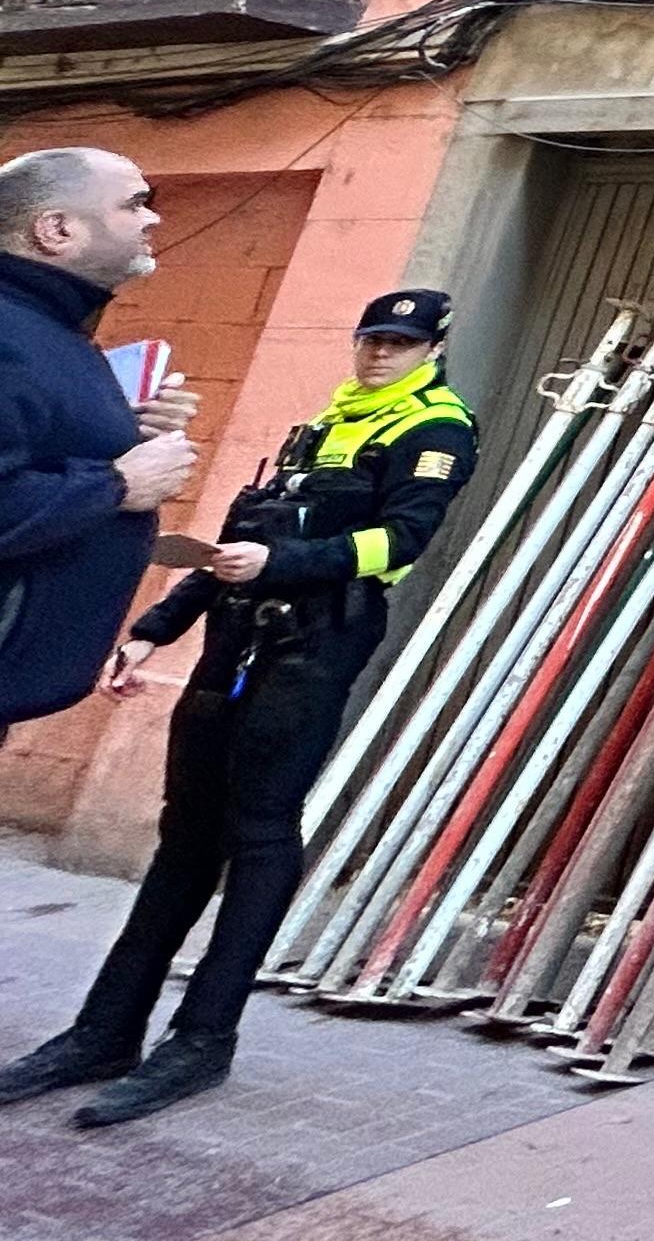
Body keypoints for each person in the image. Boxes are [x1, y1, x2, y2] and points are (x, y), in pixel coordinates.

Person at [0, 288, 475, 1127]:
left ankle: (201, 1041)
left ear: (431, 349)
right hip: (231, 642)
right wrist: (156, 627)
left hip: (312, 647)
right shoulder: (328, 422)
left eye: (399, 344)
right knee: (184, 835)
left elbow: (400, 544)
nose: (378, 355)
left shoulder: (434, 427)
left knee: (259, 836)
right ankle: (104, 1032)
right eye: (371, 339)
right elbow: (231, 545)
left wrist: (281, 564)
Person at [0, 147, 200, 733]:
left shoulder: (49, 327)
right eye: (135, 204)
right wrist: (118, 485)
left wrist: (123, 431)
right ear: (56, 229)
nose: (153, 219)